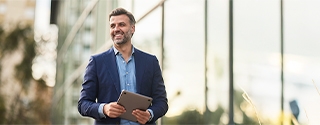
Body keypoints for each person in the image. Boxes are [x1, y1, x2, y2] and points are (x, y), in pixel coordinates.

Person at [78, 7, 168, 125]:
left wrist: (150, 114)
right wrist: (104, 109)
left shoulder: (150, 62)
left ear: (132, 28)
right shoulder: (96, 62)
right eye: (112, 26)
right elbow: (83, 104)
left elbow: (161, 102)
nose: (116, 29)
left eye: (121, 25)